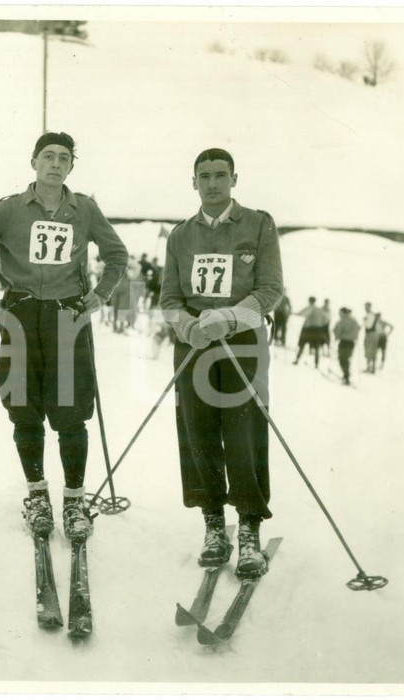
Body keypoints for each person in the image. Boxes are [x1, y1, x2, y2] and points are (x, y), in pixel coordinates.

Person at [0, 131, 128, 543]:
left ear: (71, 166)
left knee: (71, 411)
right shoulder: (10, 209)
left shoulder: (85, 209)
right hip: (21, 312)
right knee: (24, 408)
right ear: (34, 162)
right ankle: (37, 495)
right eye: (48, 156)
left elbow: (116, 254)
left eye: (64, 157)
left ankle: (75, 500)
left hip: (68, 314)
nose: (56, 163)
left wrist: (100, 295)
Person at [160, 147, 283, 579]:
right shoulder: (180, 236)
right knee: (198, 430)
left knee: (244, 430)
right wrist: (185, 325)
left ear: (234, 179)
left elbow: (270, 291)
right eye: (204, 176)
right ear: (193, 182)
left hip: (242, 339)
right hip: (195, 344)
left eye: (220, 175)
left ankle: (248, 526)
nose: (212, 183)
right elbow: (170, 300)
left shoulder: (258, 224)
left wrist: (230, 316)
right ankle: (214, 522)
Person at [293, 296, 329, 368]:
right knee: (316, 347)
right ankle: (316, 364)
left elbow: (302, 313)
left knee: (302, 345)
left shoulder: (310, 308)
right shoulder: (320, 310)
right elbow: (326, 319)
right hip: (318, 330)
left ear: (309, 301)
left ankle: (297, 359)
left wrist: (294, 313)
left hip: (309, 329)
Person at [332, 307, 360, 385]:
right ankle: (346, 375)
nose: (339, 315)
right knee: (346, 358)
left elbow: (336, 330)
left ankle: (346, 375)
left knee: (342, 359)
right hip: (351, 342)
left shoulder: (342, 321)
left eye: (340, 313)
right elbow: (358, 329)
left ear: (344, 313)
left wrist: (337, 336)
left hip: (344, 341)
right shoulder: (354, 320)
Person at [362, 302, 380, 373]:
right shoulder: (373, 315)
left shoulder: (370, 315)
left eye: (367, 307)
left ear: (370, 307)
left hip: (370, 334)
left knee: (369, 350)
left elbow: (368, 326)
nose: (365, 308)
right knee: (373, 351)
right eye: (365, 307)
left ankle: (369, 368)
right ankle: (372, 368)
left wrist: (364, 320)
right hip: (374, 334)